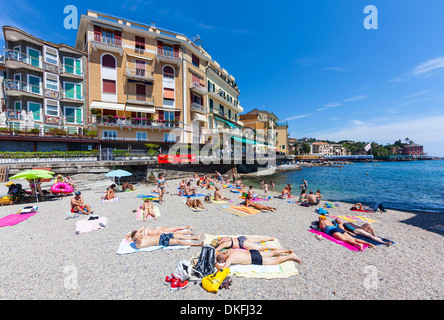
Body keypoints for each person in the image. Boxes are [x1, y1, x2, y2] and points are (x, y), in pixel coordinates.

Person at [215, 247, 302, 270]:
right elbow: (218, 252)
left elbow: (222, 269)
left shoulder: (230, 258)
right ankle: (288, 251)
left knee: (274, 261)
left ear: (223, 260)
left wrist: (215, 264)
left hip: (253, 258)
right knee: (271, 253)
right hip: (252, 252)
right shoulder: (229, 251)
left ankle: (291, 256)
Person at [129, 230, 203, 249]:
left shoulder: (142, 236)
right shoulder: (139, 243)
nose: (139, 233)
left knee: (179, 236)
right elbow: (136, 241)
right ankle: (197, 244)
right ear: (135, 237)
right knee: (179, 241)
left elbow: (142, 228)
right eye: (137, 234)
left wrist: (136, 233)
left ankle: (195, 237)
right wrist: (133, 237)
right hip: (161, 241)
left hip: (162, 235)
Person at [211, 236, 281, 252]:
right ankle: (271, 238)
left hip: (242, 243)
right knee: (258, 239)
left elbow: (216, 250)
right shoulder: (223, 238)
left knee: (261, 247)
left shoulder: (223, 245)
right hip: (241, 238)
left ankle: (278, 248)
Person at [125, 225, 195, 241]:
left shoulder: (139, 233)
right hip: (158, 229)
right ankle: (186, 228)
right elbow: (126, 236)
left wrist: (130, 238)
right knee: (173, 229)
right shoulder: (139, 234)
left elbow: (126, 236)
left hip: (158, 231)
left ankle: (186, 231)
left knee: (172, 232)